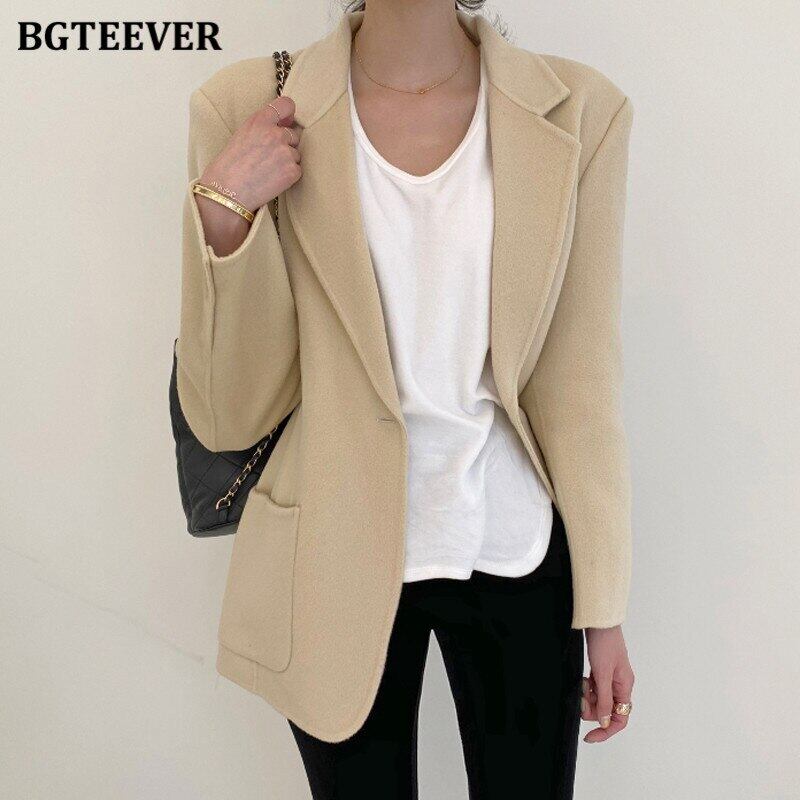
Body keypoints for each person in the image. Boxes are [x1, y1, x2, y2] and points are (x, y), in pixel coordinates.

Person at [177, 1, 635, 797]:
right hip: (330, 550)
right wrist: (226, 212)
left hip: (515, 545)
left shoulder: (581, 109)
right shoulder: (244, 107)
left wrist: (603, 605)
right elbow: (229, 412)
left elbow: (579, 377)